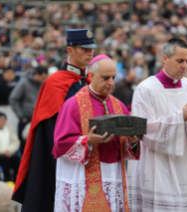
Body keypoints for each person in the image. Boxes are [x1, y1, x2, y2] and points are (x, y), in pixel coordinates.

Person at [12, 28, 96, 212]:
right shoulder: (55, 83)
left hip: (87, 157)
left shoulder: (90, 82)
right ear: (70, 50)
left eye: (91, 48)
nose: (90, 52)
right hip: (61, 160)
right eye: (84, 48)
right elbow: (51, 133)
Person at [127, 38, 187, 212]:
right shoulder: (146, 89)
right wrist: (181, 117)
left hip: (182, 163)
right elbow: (144, 128)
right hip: (155, 163)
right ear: (164, 58)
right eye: (180, 61)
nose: (184, 66)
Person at [53, 55, 140, 211]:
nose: (111, 83)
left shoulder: (118, 106)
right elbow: (60, 144)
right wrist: (88, 141)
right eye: (106, 78)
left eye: (113, 77)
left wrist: (133, 140)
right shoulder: (73, 105)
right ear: (91, 75)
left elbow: (125, 145)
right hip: (83, 175)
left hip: (113, 174)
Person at [9, 66, 48, 153]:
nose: (43, 80)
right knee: (24, 148)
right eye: (42, 78)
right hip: (25, 120)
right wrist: (21, 116)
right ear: (37, 74)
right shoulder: (24, 83)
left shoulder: (42, 84)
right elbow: (13, 99)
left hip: (38, 120)